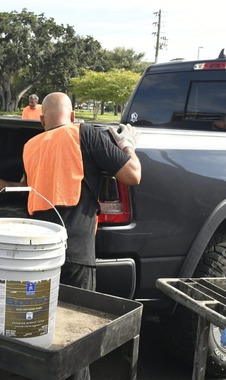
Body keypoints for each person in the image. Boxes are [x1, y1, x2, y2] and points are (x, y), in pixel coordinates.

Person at [22, 92, 141, 380]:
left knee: (41, 334)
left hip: (37, 256)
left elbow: (24, 186)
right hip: (76, 255)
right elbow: (133, 175)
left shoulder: (30, 146)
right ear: (73, 116)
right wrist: (128, 144)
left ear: (41, 120)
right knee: (77, 341)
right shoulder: (85, 135)